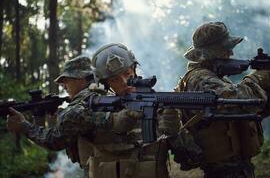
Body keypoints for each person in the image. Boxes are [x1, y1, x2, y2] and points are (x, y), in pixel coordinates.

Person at [175, 21, 270, 178]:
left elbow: (251, 111)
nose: (231, 53)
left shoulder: (217, 79)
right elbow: (235, 104)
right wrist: (257, 79)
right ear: (211, 52)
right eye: (225, 48)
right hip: (223, 170)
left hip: (237, 168)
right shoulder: (200, 78)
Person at [6, 56, 141, 176]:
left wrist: (24, 126)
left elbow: (53, 141)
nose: (64, 86)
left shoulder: (77, 109)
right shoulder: (107, 95)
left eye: (66, 80)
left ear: (81, 79)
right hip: (130, 168)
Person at [90, 43, 180, 178]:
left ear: (134, 70)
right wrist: (117, 120)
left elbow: (186, 157)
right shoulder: (97, 109)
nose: (124, 82)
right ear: (106, 84)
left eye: (127, 74)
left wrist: (173, 132)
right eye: (115, 79)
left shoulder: (157, 105)